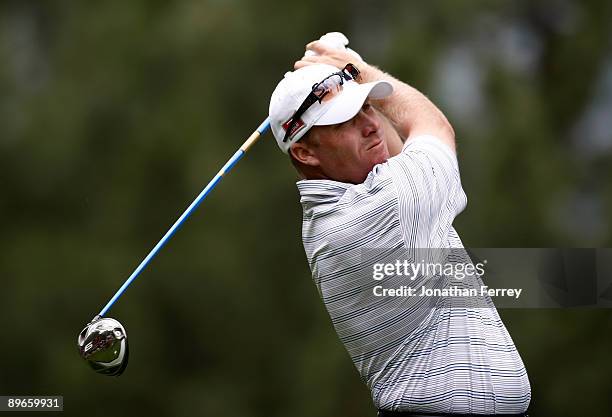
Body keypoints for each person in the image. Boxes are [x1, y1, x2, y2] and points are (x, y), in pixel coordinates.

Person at [268, 40, 531, 416]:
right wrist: (360, 69)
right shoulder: (372, 215)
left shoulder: (350, 201)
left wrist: (349, 79)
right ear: (305, 153)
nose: (370, 125)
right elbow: (432, 128)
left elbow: (389, 151)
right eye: (345, 120)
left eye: (368, 107)